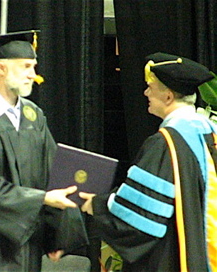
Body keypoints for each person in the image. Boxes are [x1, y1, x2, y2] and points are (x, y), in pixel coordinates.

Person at [0, 30, 86, 272]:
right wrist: (41, 199)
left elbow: (52, 173)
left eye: (33, 66)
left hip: (27, 244)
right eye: (26, 67)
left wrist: (57, 236)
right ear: (1, 68)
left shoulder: (33, 116)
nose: (33, 75)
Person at [80, 52, 217, 272]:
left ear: (168, 97)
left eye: (150, 88)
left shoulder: (165, 143)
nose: (145, 93)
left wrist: (98, 206)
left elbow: (142, 219)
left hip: (173, 257)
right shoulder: (210, 133)